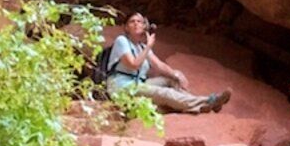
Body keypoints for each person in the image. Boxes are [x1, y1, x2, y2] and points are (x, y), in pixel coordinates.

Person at [96, 13, 231, 116]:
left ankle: (193, 102)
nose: (136, 24)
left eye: (140, 22)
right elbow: (133, 65)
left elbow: (159, 66)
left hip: (137, 85)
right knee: (164, 93)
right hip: (122, 87)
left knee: (170, 80)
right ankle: (208, 102)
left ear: (145, 27)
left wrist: (177, 75)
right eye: (132, 22)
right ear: (126, 27)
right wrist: (149, 46)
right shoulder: (122, 41)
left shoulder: (142, 47)